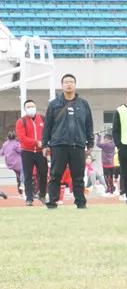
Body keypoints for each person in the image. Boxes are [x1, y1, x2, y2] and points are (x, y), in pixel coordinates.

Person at [41, 73, 94, 209]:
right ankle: (52, 202)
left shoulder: (83, 104)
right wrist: (45, 143)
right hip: (58, 145)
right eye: (66, 82)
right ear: (62, 85)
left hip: (78, 144)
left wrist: (90, 142)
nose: (69, 84)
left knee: (78, 176)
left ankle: (80, 203)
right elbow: (47, 125)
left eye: (71, 82)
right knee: (55, 175)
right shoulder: (54, 104)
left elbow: (89, 124)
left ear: (75, 85)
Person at [16, 99, 47, 206]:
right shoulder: (21, 121)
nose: (31, 108)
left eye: (32, 106)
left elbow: (48, 133)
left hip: (41, 152)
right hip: (27, 152)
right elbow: (22, 138)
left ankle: (42, 195)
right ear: (25, 109)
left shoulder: (42, 118)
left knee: (43, 174)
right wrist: (36, 142)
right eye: (28, 107)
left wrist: (45, 144)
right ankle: (29, 198)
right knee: (28, 175)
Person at [2, 132, 21, 198]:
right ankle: (22, 189)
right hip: (18, 164)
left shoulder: (5, 144)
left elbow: (1, 153)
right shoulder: (16, 144)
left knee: (19, 176)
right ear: (15, 137)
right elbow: (21, 151)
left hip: (9, 164)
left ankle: (21, 188)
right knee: (24, 175)